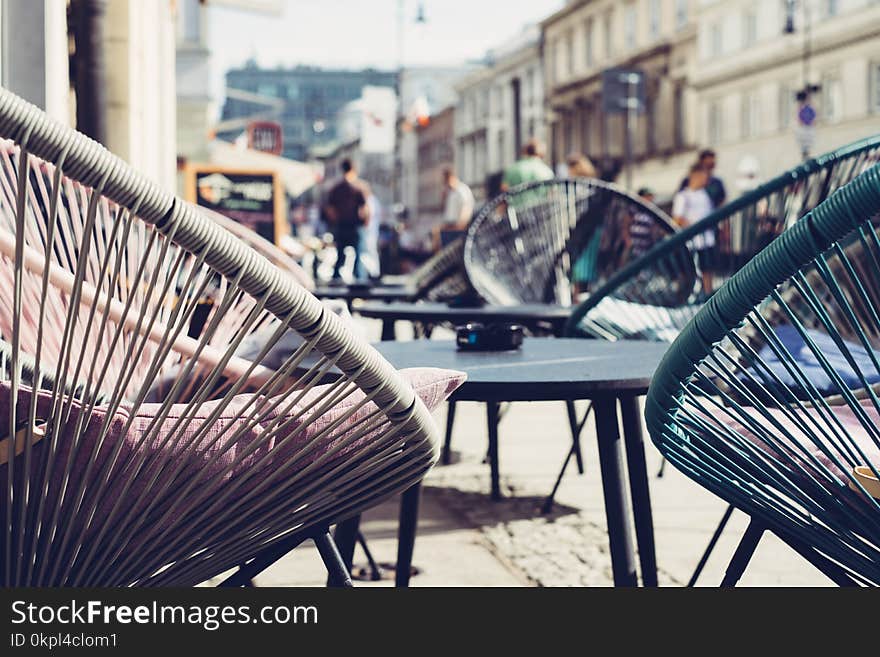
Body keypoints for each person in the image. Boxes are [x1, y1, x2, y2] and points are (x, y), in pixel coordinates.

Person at [323, 158, 370, 281]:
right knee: (358, 256)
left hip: (341, 226)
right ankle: (359, 285)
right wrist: (365, 222)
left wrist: (335, 222)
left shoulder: (336, 189)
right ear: (354, 170)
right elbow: (365, 209)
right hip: (355, 226)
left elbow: (330, 210)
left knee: (340, 256)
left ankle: (335, 283)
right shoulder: (360, 187)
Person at [673, 163, 715, 294]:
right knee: (689, 271)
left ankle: (708, 295)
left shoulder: (705, 195)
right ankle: (685, 295)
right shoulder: (683, 196)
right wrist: (694, 226)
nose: (706, 179)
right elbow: (677, 219)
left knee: (708, 269)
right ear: (695, 176)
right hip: (691, 242)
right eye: (704, 176)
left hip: (707, 240)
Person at [630, 187, 658, 258]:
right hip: (633, 249)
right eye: (647, 196)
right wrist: (628, 244)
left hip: (646, 250)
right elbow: (625, 226)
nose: (650, 199)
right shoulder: (633, 210)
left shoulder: (653, 212)